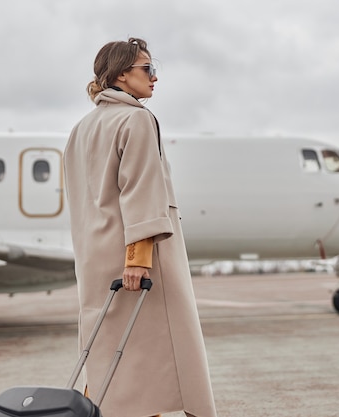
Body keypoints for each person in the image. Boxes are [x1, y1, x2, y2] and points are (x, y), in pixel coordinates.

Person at [63, 37, 218, 417]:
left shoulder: (81, 128)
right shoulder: (136, 118)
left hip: (95, 260)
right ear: (120, 75)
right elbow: (141, 191)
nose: (155, 78)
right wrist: (138, 258)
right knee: (152, 359)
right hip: (135, 261)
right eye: (147, 69)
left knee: (110, 356)